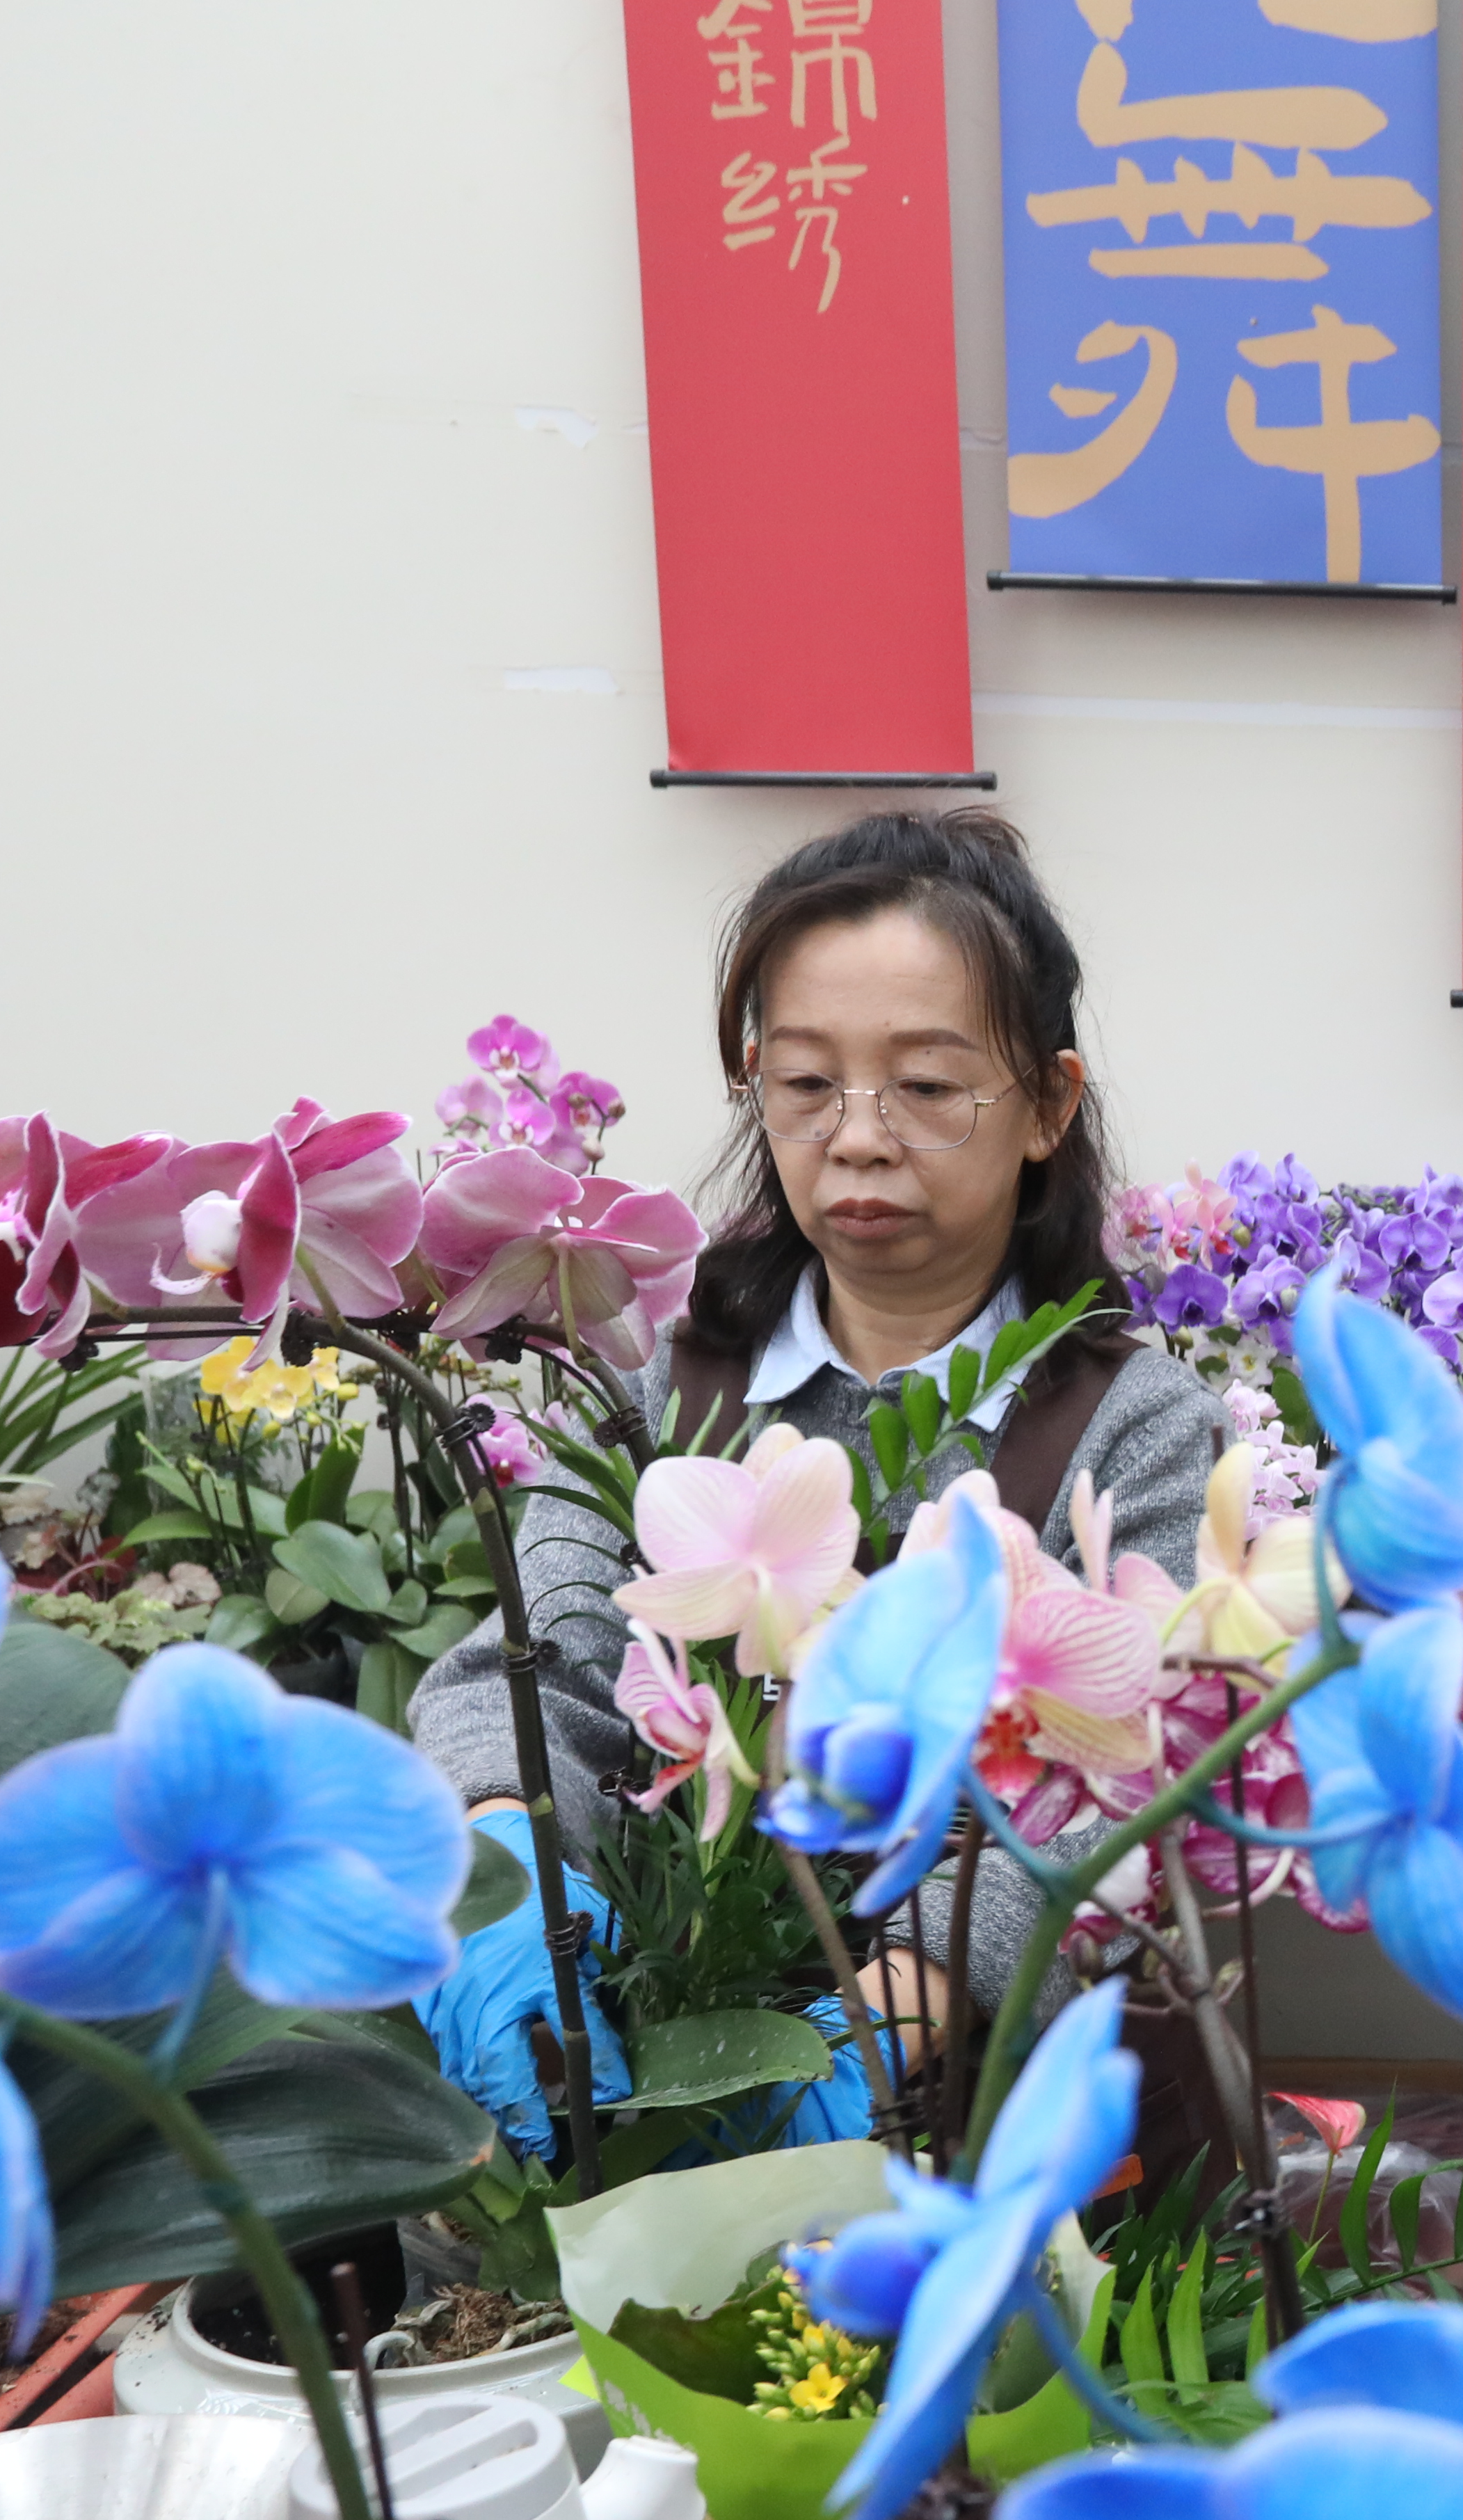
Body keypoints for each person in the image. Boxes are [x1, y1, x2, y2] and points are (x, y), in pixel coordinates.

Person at [408, 808, 1221, 2157]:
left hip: (984, 2107)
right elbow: (531, 1662)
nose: (858, 1135)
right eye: (805, 1083)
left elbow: (1119, 1792)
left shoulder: (1132, 1426)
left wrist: (867, 2035)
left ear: (1049, 1105)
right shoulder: (661, 1395)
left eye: (928, 1083)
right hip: (633, 2046)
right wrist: (514, 1886)